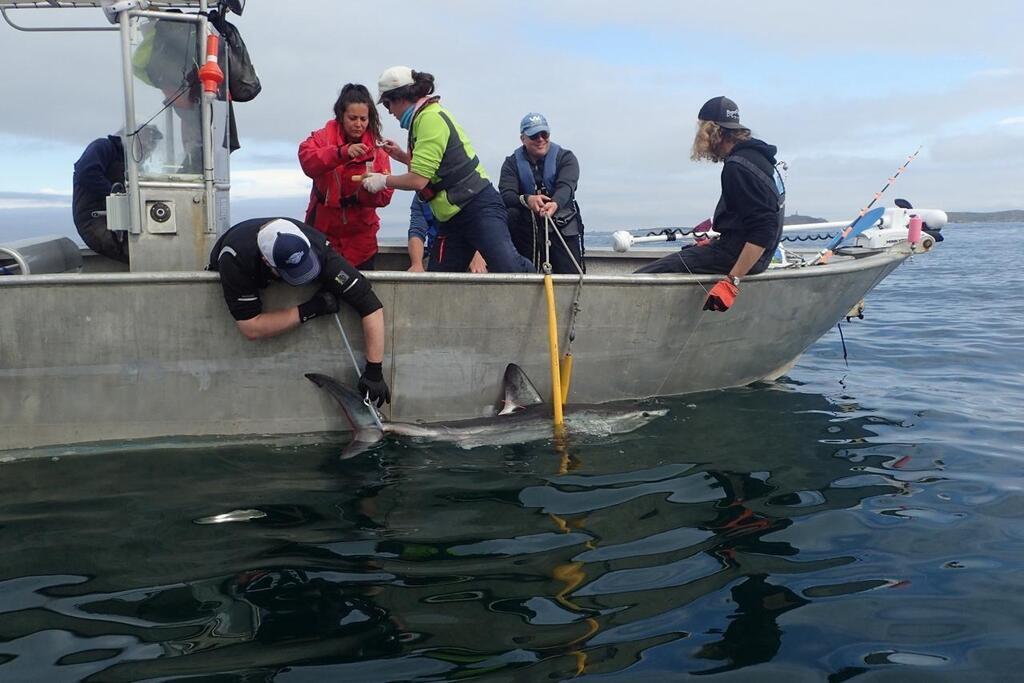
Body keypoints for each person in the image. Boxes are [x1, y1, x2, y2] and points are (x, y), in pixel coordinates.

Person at [360, 66, 532, 273]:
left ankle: (543, 284)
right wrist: (401, 156)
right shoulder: (421, 119)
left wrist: (382, 180)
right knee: (439, 279)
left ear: (401, 97)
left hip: (478, 207)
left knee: (509, 268)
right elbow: (435, 169)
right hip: (451, 218)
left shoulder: (429, 119)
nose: (388, 111)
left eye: (387, 103)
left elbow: (418, 180)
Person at [208, 217, 390, 406]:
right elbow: (251, 327)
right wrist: (311, 309)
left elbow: (370, 305)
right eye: (291, 272)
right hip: (239, 261)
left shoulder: (315, 246)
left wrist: (374, 370)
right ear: (266, 261)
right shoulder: (235, 260)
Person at [635, 96, 785, 313]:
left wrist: (732, 281)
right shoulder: (760, 160)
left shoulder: (737, 167)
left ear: (714, 131)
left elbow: (765, 228)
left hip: (741, 256)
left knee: (651, 272)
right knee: (685, 255)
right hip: (751, 252)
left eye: (701, 130)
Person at [298, 83, 394, 270]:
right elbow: (307, 161)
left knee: (358, 295)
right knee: (325, 295)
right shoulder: (321, 138)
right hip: (324, 238)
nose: (358, 124)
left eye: (363, 119)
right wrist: (341, 153)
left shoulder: (377, 149)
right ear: (341, 115)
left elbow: (385, 197)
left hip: (361, 243)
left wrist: (370, 189)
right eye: (352, 118)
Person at [499, 112, 586, 274]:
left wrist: (555, 203)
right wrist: (527, 199)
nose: (540, 139)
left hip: (560, 226)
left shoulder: (566, 158)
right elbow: (506, 195)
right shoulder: (511, 164)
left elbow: (567, 186)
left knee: (570, 275)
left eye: (544, 134)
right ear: (523, 139)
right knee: (511, 214)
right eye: (534, 136)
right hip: (525, 232)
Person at [72, 125, 162, 263]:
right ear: (132, 134)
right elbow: (86, 173)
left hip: (123, 221)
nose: (149, 146)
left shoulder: (131, 163)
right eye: (147, 139)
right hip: (95, 220)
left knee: (159, 244)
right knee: (139, 252)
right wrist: (117, 196)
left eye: (153, 143)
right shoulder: (103, 147)